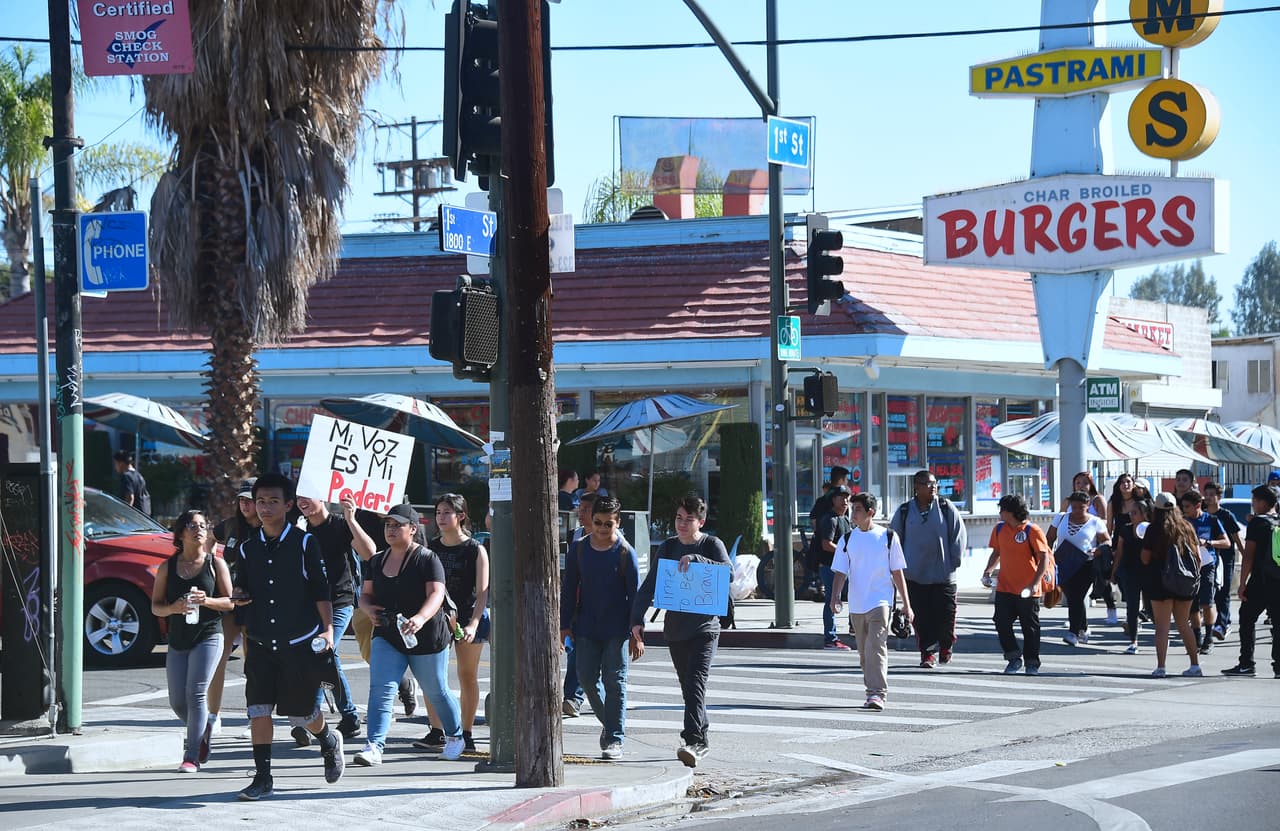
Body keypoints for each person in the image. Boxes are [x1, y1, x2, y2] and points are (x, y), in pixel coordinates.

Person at [231, 473, 344, 802]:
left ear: (289, 505)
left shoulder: (305, 542)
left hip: (299, 641)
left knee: (302, 714)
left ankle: (328, 740)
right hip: (262, 641)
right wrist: (239, 593)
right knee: (258, 709)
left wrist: (328, 629)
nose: (265, 508)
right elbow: (244, 586)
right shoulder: (248, 546)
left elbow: (320, 589)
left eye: (273, 501)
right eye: (260, 501)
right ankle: (263, 778)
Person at [354, 503, 465, 766]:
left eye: (397, 525)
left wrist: (420, 618)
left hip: (426, 635)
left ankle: (456, 737)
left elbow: (437, 594)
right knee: (381, 689)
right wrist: (369, 609)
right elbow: (365, 595)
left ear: (413, 529)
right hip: (388, 632)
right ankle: (374, 746)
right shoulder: (377, 560)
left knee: (435, 689)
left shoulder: (427, 558)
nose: (391, 530)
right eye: (388, 525)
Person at [632, 493, 730, 768]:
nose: (682, 524)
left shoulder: (712, 544)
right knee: (689, 689)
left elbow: (728, 572)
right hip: (675, 630)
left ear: (701, 521)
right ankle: (702, 738)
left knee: (696, 683)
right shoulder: (668, 547)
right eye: (678, 518)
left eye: (689, 519)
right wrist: (636, 620)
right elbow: (650, 584)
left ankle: (693, 741)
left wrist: (700, 560)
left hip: (705, 629)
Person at [151, 509, 234, 772]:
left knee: (196, 692)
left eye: (202, 525)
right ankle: (203, 730)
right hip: (177, 639)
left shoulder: (214, 563)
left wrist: (206, 601)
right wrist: (173, 608)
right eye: (191, 525)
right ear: (180, 533)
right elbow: (156, 607)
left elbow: (231, 602)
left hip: (209, 635)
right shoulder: (167, 567)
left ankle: (191, 755)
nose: (198, 529)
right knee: (178, 701)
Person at [561, 495, 640, 760]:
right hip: (585, 627)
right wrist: (563, 625)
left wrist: (636, 633)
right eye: (598, 522)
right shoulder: (579, 550)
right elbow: (569, 588)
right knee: (585, 679)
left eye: (609, 524)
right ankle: (611, 724)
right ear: (590, 521)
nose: (603, 529)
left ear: (617, 523)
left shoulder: (625, 553)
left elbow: (635, 596)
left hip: (617, 630)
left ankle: (614, 738)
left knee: (615, 682)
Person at [294, 494, 377, 743]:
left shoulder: (340, 524)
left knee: (321, 654)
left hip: (340, 601)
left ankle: (311, 716)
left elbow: (370, 552)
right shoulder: (300, 529)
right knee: (328, 658)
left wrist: (351, 519)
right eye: (298, 498)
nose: (302, 502)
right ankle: (349, 717)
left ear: (321, 497)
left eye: (307, 496)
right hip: (310, 605)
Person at [415, 493, 490, 753]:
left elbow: (482, 593)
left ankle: (466, 733)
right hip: (436, 619)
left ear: (461, 516)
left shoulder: (475, 549)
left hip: (467, 616)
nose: (441, 517)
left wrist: (473, 624)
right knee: (431, 677)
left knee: (467, 675)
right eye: (438, 512)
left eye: (447, 512)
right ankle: (437, 730)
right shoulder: (430, 549)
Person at [828, 492, 912, 711]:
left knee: (876, 646)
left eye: (857, 509)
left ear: (870, 513)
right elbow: (840, 572)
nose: (852, 512)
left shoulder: (888, 537)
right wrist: (835, 597)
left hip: (881, 601)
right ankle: (871, 690)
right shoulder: (847, 539)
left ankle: (877, 694)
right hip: (857, 604)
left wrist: (907, 604)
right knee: (865, 653)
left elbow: (897, 572)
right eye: (852, 508)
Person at [890, 469, 967, 668]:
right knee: (921, 619)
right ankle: (927, 653)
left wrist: (954, 562)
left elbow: (958, 536)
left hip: (943, 575)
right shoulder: (905, 511)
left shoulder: (945, 507)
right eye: (927, 484)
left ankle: (946, 647)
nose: (933, 487)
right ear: (916, 487)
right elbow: (894, 541)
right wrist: (895, 567)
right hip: (915, 576)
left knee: (946, 617)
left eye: (935, 484)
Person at [208, 477, 260, 738]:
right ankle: (212, 715)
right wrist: (207, 570)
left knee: (253, 662)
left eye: (250, 500)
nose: (245, 504)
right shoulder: (230, 526)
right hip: (228, 601)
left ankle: (255, 715)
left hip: (257, 603)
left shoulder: (269, 528)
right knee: (219, 655)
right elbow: (208, 541)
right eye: (241, 500)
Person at [982, 494, 1048, 676]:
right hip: (1005, 587)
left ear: (1010, 511)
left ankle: (1032, 663)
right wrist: (987, 571)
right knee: (1001, 622)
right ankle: (1013, 657)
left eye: (1002, 509)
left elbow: (1044, 558)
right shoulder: (999, 529)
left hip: (1028, 589)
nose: (1000, 513)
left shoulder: (1032, 530)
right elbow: (997, 553)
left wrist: (1035, 584)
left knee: (1030, 627)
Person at [1140, 492, 1202, 678]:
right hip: (1184, 582)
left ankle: (1161, 667)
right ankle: (1195, 665)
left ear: (1156, 509)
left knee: (1162, 626)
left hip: (1159, 582)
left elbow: (1145, 558)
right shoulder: (1187, 527)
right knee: (1184, 624)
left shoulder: (1154, 529)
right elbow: (1198, 558)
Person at [1222, 485, 1280, 678]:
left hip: (1261, 581)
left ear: (1263, 502)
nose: (1253, 504)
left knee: (1247, 618)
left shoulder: (1257, 523)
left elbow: (1248, 556)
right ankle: (1278, 666)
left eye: (1254, 501)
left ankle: (1246, 663)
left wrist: (1242, 583)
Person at [1046, 491, 1110, 646]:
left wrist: (1098, 551)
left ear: (1087, 506)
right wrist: (1047, 558)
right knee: (1073, 597)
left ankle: (1073, 633)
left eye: (1080, 508)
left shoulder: (1095, 522)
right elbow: (1049, 538)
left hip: (1085, 564)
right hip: (1063, 562)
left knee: (1077, 596)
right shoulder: (1060, 518)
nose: (1076, 511)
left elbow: (1107, 542)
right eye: (1073, 507)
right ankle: (1083, 628)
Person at [561, 491, 599, 718]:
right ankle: (573, 697)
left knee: (589, 656)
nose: (580, 513)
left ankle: (577, 696)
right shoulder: (574, 535)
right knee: (573, 650)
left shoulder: (611, 537)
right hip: (574, 602)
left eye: (586, 509)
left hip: (599, 605)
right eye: (580, 508)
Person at [1178, 490, 1228, 655]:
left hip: (1207, 565)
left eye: (1187, 506)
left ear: (1197, 505)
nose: (1184, 509)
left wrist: (1208, 542)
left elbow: (1226, 542)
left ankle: (1209, 637)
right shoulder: (1183, 522)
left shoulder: (1211, 520)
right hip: (1188, 567)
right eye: (1182, 506)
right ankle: (1197, 636)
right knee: (1192, 605)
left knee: (1207, 602)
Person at [811, 484, 853, 650]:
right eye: (841, 497)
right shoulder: (830, 519)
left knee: (853, 595)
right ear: (833, 500)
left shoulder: (845, 519)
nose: (845, 500)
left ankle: (853, 628)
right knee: (831, 601)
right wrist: (846, 552)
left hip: (842, 567)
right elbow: (826, 544)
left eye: (847, 497)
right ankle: (830, 638)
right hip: (830, 566)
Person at [1112, 493, 1154, 654]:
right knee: (1132, 607)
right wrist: (1114, 572)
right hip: (1129, 572)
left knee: (1151, 608)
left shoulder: (1152, 529)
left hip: (1148, 572)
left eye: (1135, 512)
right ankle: (1133, 641)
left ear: (1144, 514)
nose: (1131, 514)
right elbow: (1120, 552)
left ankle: (1161, 636)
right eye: (1131, 512)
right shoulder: (1126, 529)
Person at [1203, 482, 1245, 641]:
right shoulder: (1203, 515)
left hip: (1225, 559)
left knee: (1223, 591)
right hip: (1207, 559)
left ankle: (1222, 624)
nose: (1207, 497)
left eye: (1211, 494)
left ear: (1219, 497)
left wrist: (1245, 555)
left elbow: (1237, 538)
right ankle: (1217, 621)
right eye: (1206, 494)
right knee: (1210, 593)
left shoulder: (1226, 515)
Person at [114, 450, 152, 515]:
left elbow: (130, 497)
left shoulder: (126, 476)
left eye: (116, 463)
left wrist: (124, 514)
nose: (115, 467)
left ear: (121, 463)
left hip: (135, 516)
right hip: (145, 515)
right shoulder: (139, 476)